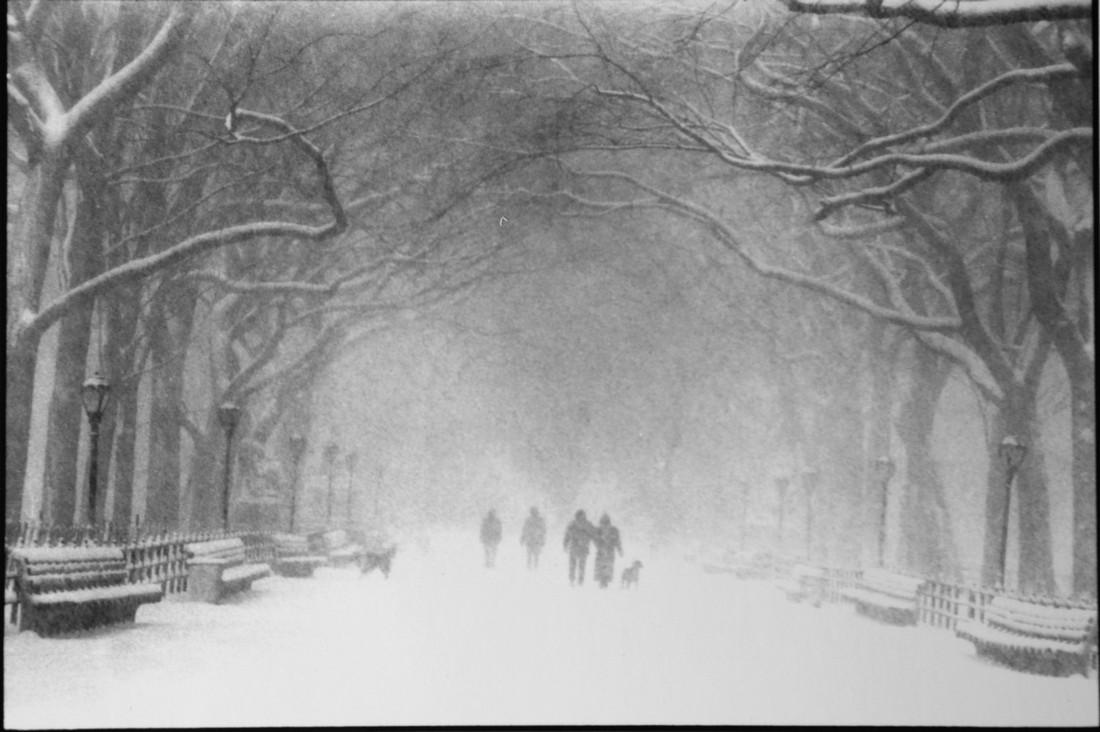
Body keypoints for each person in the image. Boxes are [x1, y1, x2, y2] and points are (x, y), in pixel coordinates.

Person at [562, 509, 595, 586]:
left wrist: (565, 544)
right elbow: (593, 535)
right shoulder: (588, 524)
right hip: (583, 547)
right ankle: (580, 580)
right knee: (581, 566)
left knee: (573, 565)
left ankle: (572, 580)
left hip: (574, 547)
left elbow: (567, 536)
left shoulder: (572, 524)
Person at [592, 513, 622, 589]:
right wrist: (599, 545)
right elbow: (595, 540)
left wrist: (619, 549)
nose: (604, 525)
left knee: (607, 567)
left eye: (606, 522)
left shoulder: (613, 530)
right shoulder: (598, 530)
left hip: (608, 551)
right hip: (602, 552)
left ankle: (605, 580)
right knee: (602, 566)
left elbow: (617, 541)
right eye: (603, 522)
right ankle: (602, 580)